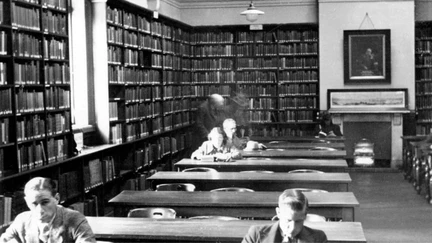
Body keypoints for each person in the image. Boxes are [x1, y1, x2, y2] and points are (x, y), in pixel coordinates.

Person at [0, 177, 96, 243]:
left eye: (45, 202)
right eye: (34, 203)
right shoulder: (22, 220)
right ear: (26, 201)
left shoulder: (75, 219)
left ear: (56, 199)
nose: (39, 210)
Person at [241, 190, 327, 243]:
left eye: (298, 221)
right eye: (288, 220)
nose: (293, 228)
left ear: (305, 215)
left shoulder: (318, 238)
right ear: (278, 213)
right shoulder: (256, 235)